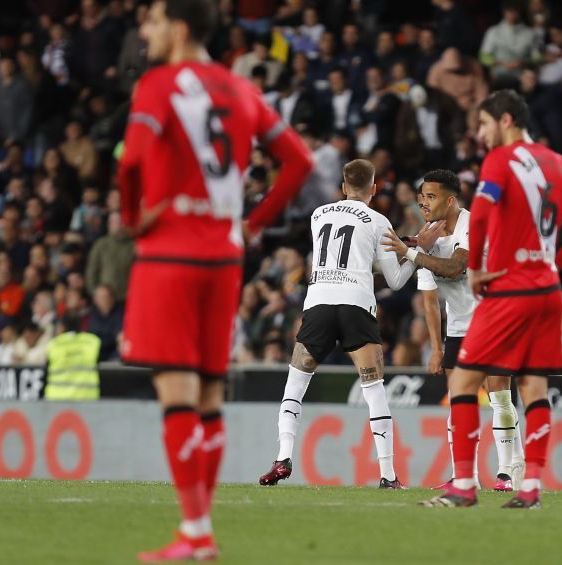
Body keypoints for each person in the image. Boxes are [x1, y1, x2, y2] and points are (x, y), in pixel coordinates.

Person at [117, 1, 312, 561]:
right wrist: (251, 226)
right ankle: (199, 531)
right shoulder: (239, 89)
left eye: (152, 20)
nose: (144, 30)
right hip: (223, 259)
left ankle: (196, 532)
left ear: (178, 29)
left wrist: (134, 219)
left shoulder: (159, 85)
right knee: (207, 394)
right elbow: (296, 160)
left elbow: (130, 162)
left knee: (177, 393)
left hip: (170, 255)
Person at [420, 90, 562, 509]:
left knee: (463, 381)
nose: (480, 134)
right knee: (535, 386)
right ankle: (531, 485)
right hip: (547, 291)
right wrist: (556, 264)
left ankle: (464, 485)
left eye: (483, 124)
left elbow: (480, 213)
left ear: (505, 120)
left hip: (510, 288)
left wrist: (479, 269)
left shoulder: (501, 160)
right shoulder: (559, 163)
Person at [258, 159, 434, 490]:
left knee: (295, 387)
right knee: (374, 389)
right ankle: (387, 475)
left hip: (319, 303)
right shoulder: (379, 220)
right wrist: (415, 252)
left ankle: (282, 458)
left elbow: (345, 255)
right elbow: (394, 280)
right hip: (355, 305)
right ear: (374, 189)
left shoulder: (318, 215)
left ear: (342, 187)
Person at [382, 169, 525, 491]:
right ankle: (465, 476)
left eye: (431, 197)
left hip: (494, 317)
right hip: (460, 324)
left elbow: (456, 267)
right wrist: (435, 347)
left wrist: (414, 252)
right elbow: (430, 300)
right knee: (459, 399)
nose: (424, 204)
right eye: (422, 198)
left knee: (498, 394)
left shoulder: (472, 225)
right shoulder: (428, 237)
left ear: (450, 199)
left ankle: (505, 472)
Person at [44, 316, 101, 401]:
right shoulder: (92, 341)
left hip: (56, 398)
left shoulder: (53, 344)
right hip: (87, 398)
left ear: (62, 327)